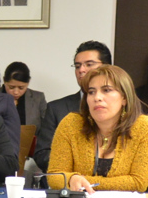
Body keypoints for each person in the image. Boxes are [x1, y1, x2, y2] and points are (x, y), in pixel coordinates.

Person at [46, 64, 148, 193]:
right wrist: (72, 179)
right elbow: (54, 176)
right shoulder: (71, 124)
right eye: (91, 92)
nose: (97, 98)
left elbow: (138, 183)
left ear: (124, 98)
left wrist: (81, 182)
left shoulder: (144, 127)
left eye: (106, 90)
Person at [33, 40, 111, 172]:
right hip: (67, 185)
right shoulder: (57, 109)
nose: (81, 70)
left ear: (108, 67)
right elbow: (42, 154)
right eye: (77, 66)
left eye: (89, 64)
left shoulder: (120, 106)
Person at [0, 61, 46, 132]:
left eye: (21, 88)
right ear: (4, 81)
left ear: (28, 82)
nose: (16, 92)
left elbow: (47, 127)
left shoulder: (38, 98)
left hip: (31, 142)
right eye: (11, 87)